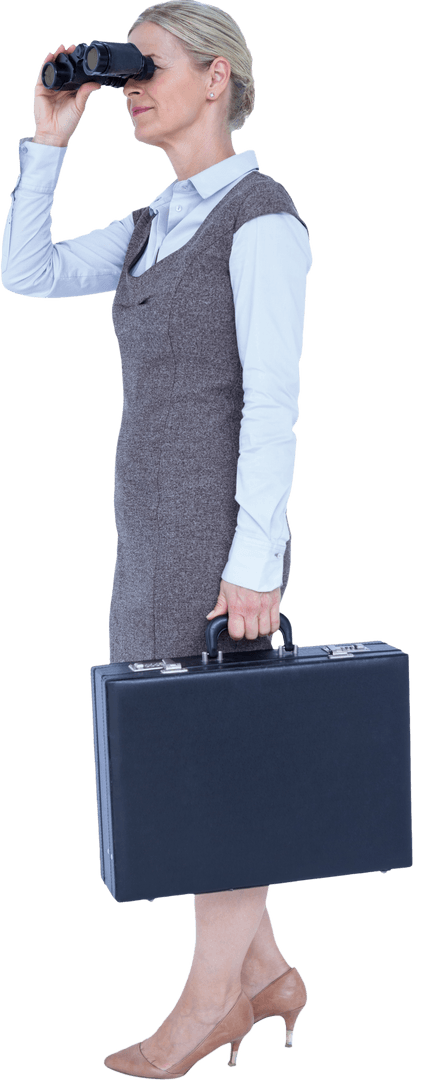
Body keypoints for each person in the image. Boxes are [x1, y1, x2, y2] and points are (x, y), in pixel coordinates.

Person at [1, 3, 313, 1076]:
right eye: (122, 70)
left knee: (207, 774)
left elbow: (273, 401)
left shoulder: (262, 221)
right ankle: (268, 972)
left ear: (217, 79)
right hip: (145, 530)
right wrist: (49, 133)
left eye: (151, 67)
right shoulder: (150, 223)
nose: (130, 84)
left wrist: (253, 562)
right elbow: (26, 272)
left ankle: (204, 1004)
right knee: (188, 763)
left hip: (213, 544)